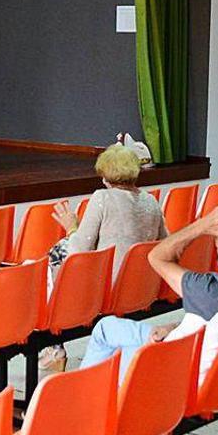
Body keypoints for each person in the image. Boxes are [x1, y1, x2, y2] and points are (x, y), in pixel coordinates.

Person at [79, 206, 218, 382]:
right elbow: (216, 322)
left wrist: (203, 225)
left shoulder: (212, 292)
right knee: (116, 333)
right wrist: (177, 326)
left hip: (170, 375)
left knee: (105, 330)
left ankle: (84, 399)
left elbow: (157, 257)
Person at [36, 144, 169, 371]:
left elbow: (79, 248)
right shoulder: (151, 202)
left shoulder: (102, 198)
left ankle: (54, 345)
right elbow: (164, 243)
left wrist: (71, 226)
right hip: (141, 286)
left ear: (106, 176)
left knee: (56, 254)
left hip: (107, 288)